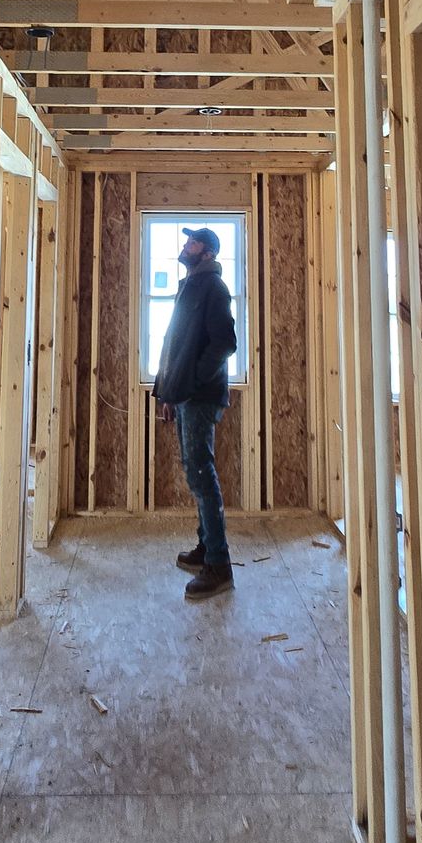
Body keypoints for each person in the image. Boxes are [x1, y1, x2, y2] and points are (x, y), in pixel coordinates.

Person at [153, 226, 239, 600]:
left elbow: (225, 343)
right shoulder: (189, 286)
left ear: (208, 253)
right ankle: (206, 548)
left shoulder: (214, 288)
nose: (185, 246)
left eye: (193, 242)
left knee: (202, 474)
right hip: (187, 395)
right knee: (195, 471)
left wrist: (194, 380)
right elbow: (176, 344)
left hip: (202, 396)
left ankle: (219, 565)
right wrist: (170, 392)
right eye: (187, 241)